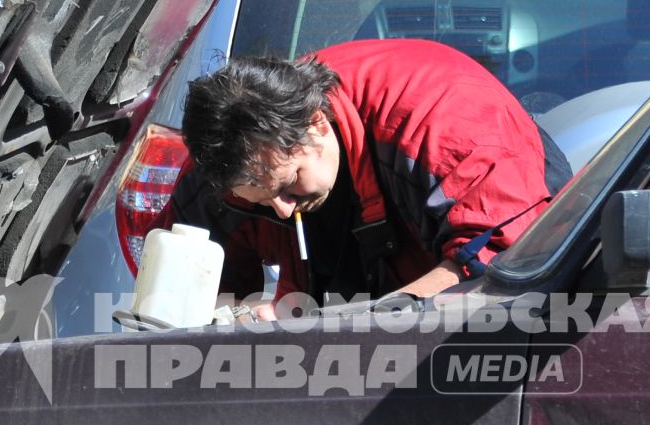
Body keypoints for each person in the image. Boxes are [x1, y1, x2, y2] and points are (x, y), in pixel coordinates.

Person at [151, 39, 567, 314]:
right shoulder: (227, 158)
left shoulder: (443, 128)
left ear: (316, 122)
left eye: (287, 184)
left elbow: (504, 268)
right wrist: (241, 319)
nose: (280, 207)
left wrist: (361, 327)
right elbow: (184, 302)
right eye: (259, 199)